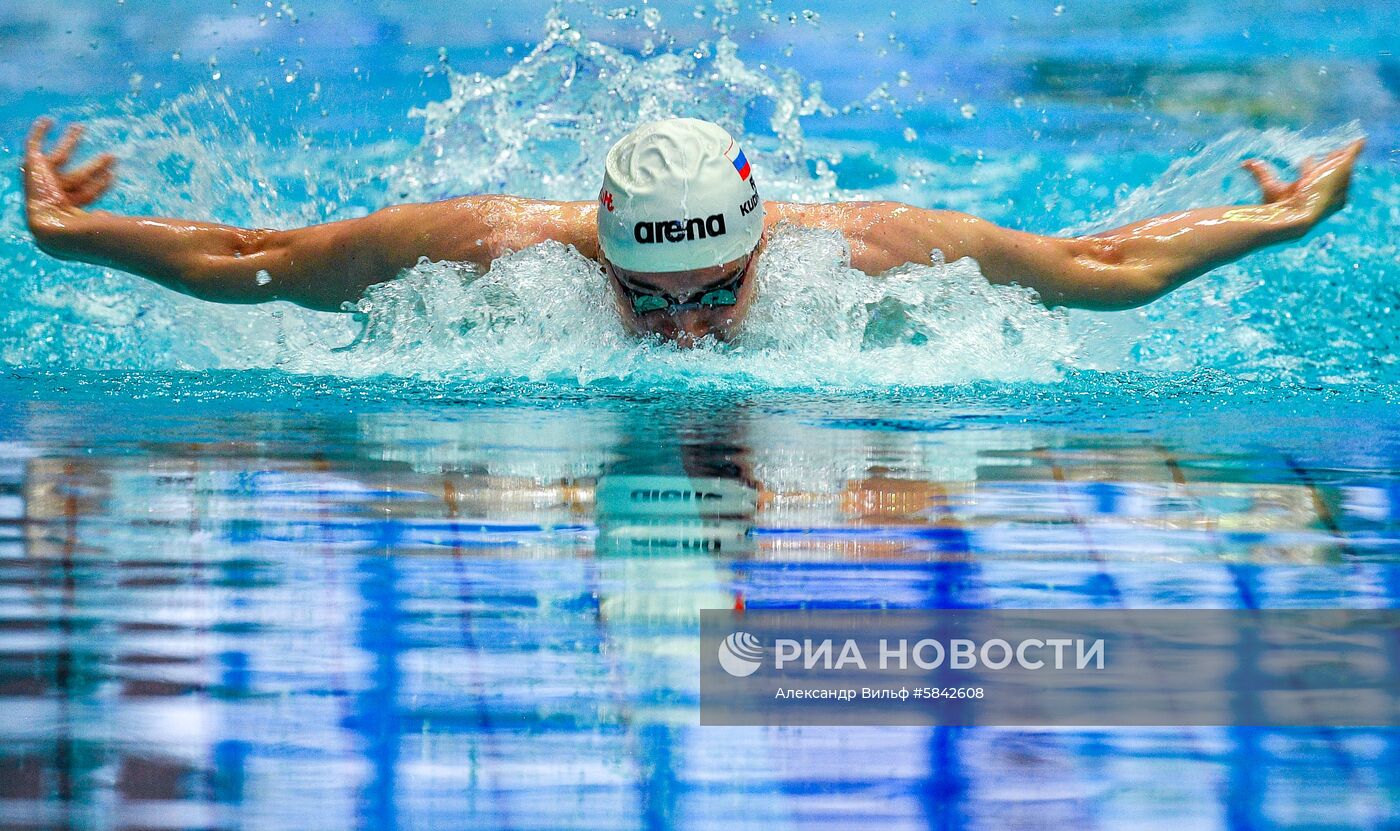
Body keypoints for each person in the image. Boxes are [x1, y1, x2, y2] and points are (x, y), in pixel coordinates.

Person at [22, 116, 1363, 347]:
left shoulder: (864, 253)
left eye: (712, 294)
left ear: (760, 246)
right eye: (646, 296)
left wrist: (1278, 225)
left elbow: (1094, 268)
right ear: (597, 248)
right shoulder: (495, 248)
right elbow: (256, 265)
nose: (681, 329)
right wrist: (73, 237)